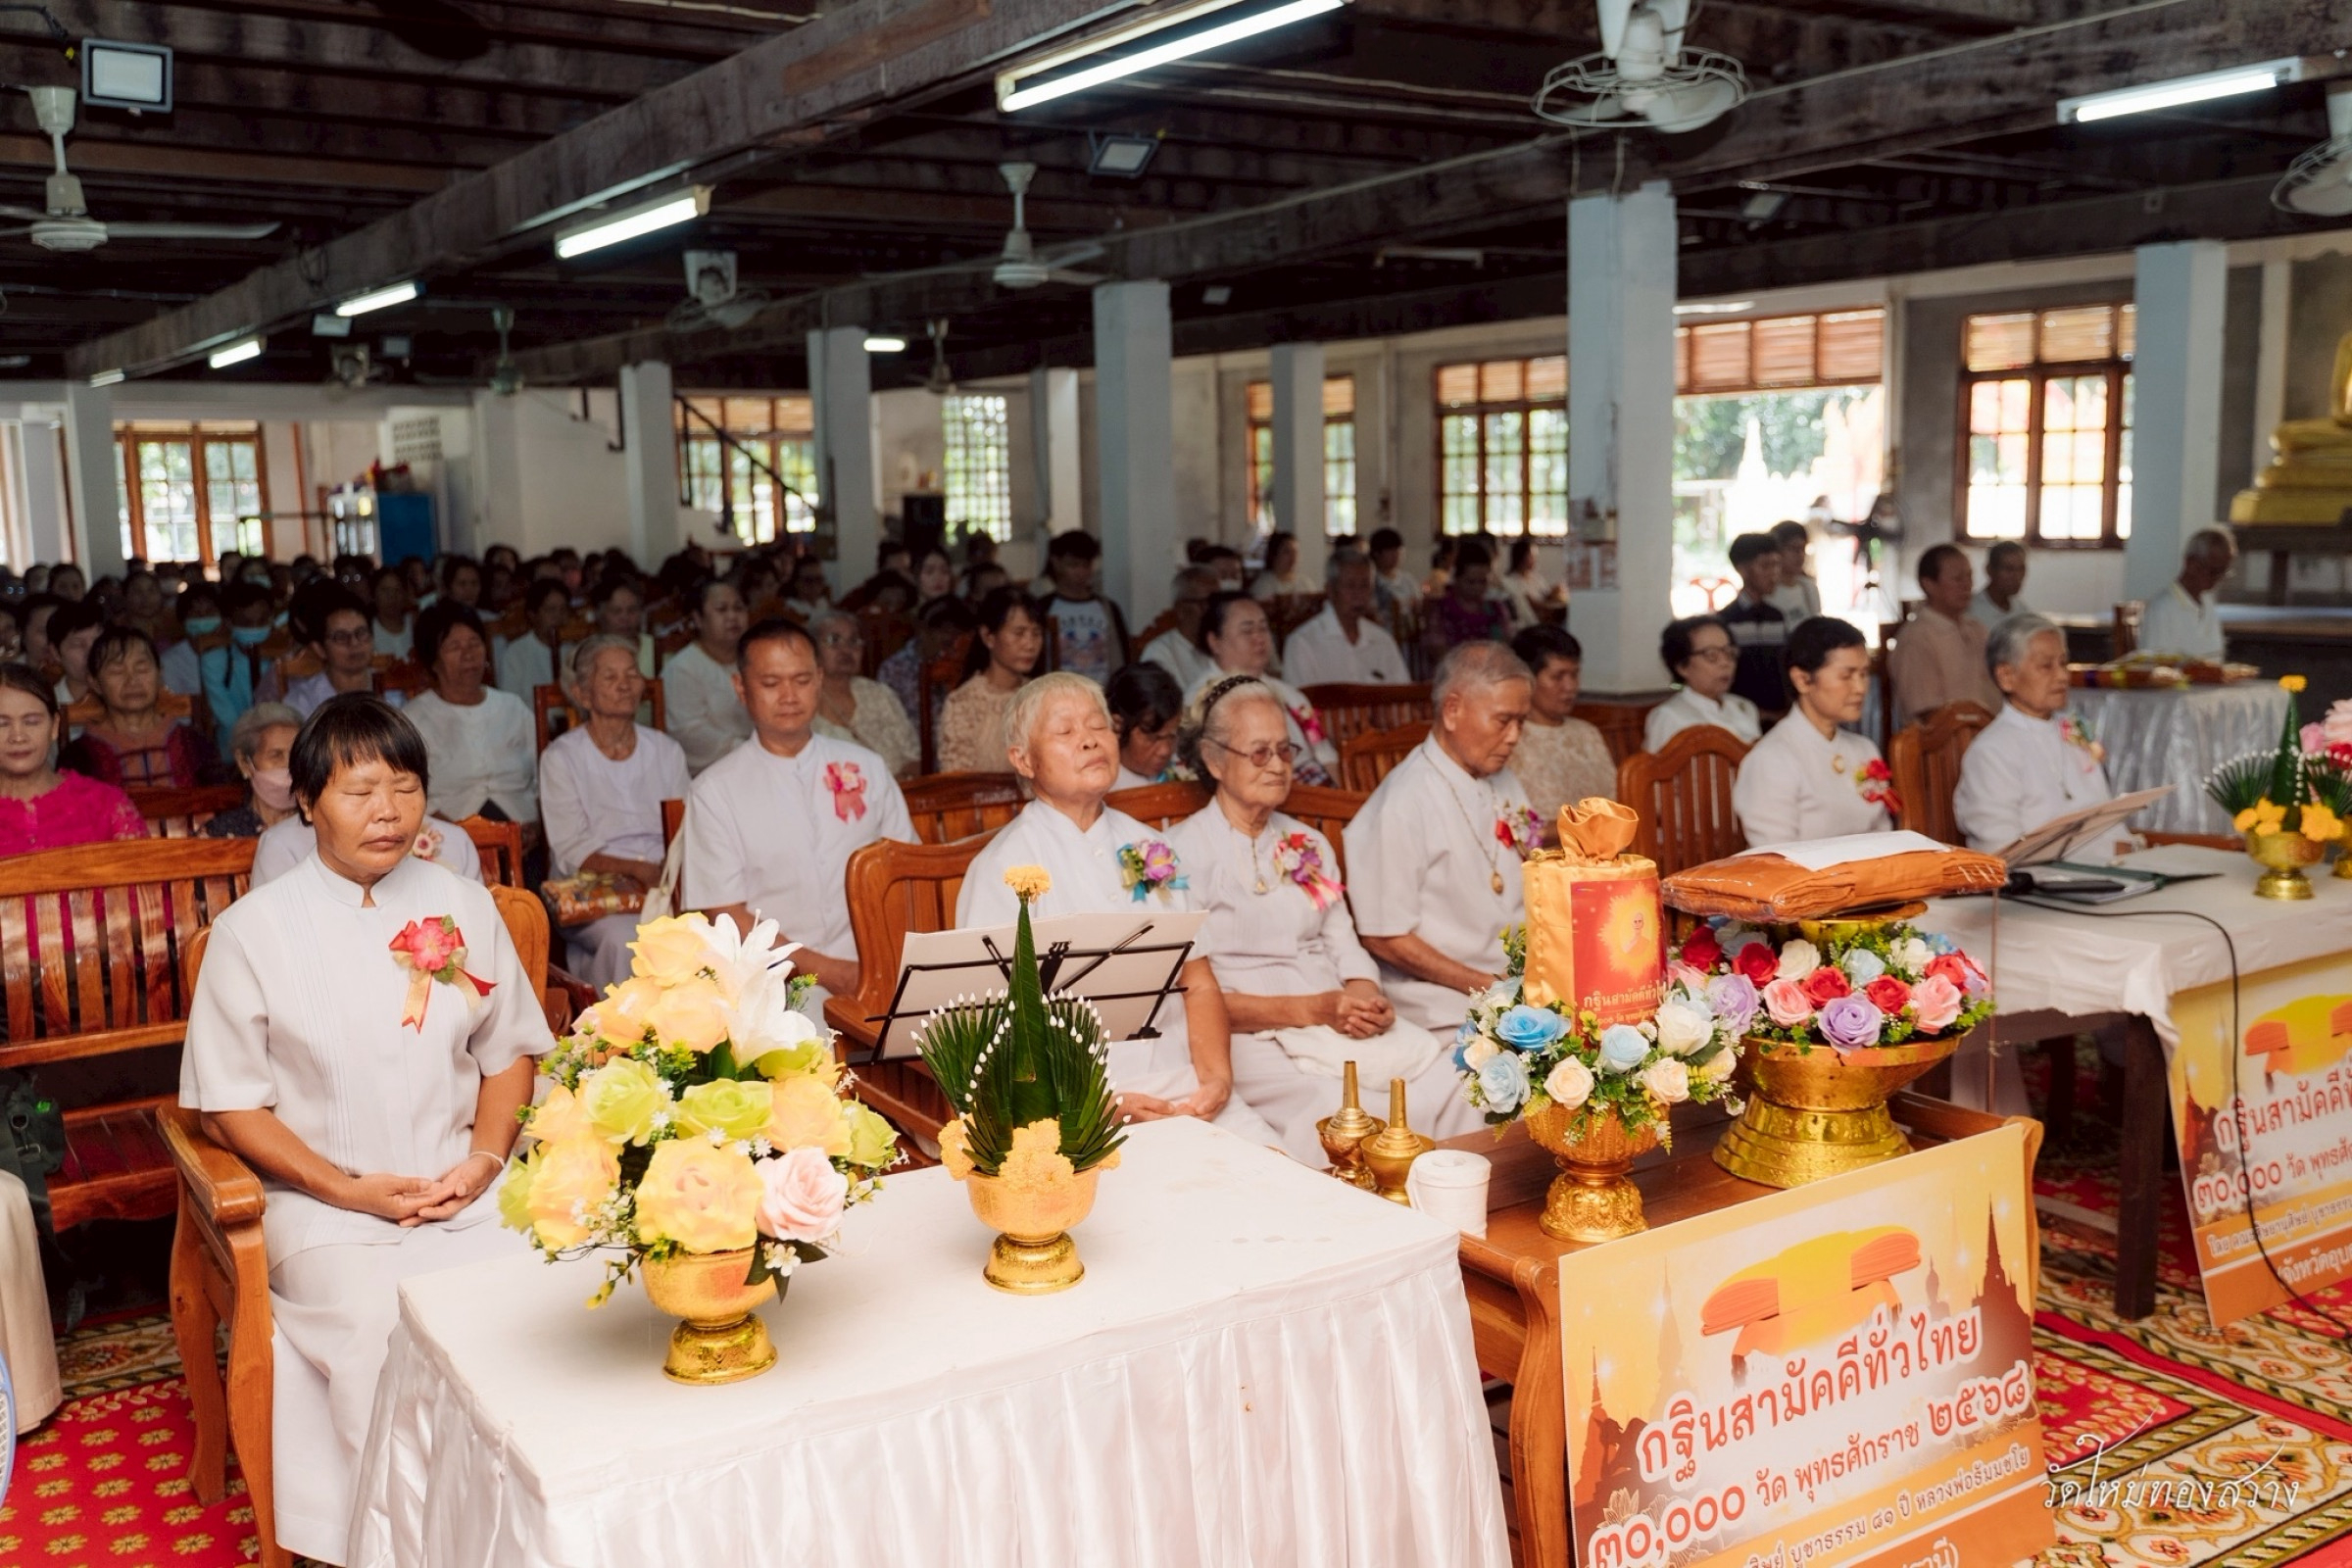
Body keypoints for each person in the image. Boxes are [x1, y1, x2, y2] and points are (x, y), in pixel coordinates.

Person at [179, 694, 548, 1566]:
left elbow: (507, 1055)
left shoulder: (463, 903)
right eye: (359, 791)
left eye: (405, 787)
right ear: (307, 802)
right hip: (325, 1208)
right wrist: (346, 1189)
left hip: (466, 1186)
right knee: (384, 1330)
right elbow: (228, 1105)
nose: (388, 811)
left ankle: (541, 1530)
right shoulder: (252, 931)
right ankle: (410, 1545)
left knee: (549, 1306)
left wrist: (484, 1160)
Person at [956, 673, 1281, 1146]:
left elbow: (1198, 981)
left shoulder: (1151, 847)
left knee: (1285, 1170)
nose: (1089, 740)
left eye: (1098, 726)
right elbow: (991, 1030)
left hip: (1186, 1090)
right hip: (1074, 1110)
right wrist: (1094, 1105)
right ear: (1023, 759)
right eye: (1065, 731)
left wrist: (1216, 1080)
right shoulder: (1001, 868)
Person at [1167, 676, 1479, 1161]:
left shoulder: (1306, 843)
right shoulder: (1180, 854)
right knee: (1342, 1112)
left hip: (1336, 1018)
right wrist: (1315, 1009)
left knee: (1459, 1080)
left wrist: (1364, 996)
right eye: (1259, 753)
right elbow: (1190, 994)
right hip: (1251, 1031)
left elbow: (1344, 944)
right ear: (1213, 760)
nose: (1277, 765)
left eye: (1285, 751)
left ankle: (1446, 1198)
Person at [685, 618, 914, 1008]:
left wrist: (889, 962)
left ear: (820, 679)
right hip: (772, 984)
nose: (789, 696)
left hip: (878, 967)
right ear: (741, 688)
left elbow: (906, 871)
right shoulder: (715, 790)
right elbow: (725, 914)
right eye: (771, 683)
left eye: (802, 680)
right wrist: (832, 972)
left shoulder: (866, 766)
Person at [1344, 642, 1537, 1033]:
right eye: (1503, 720)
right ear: (1452, 710)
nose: (1514, 736)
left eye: (1521, 721)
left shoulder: (1501, 778)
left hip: (1516, 980)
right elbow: (1384, 935)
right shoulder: (1402, 802)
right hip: (1440, 998)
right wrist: (1488, 985)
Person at [540, 635, 693, 988]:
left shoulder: (666, 750)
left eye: (632, 674)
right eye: (610, 677)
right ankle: (621, 1022)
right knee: (627, 940)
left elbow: (686, 828)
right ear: (582, 693)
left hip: (665, 879)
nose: (624, 685)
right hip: (595, 887)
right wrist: (637, 870)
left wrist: (666, 873)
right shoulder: (561, 757)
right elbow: (570, 847)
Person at [1953, 612, 2117, 857]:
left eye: (2063, 663)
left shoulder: (2074, 732)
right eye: (2046, 666)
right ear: (2007, 677)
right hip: (2035, 875)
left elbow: (2107, 815)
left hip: (2102, 867)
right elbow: (2001, 849)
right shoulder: (1991, 752)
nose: (2062, 676)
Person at [1732, 616, 1893, 848]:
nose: (1860, 688)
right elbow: (1775, 856)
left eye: (1864, 674)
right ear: (1803, 680)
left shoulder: (1863, 748)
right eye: (1846, 676)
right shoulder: (1771, 759)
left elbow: (1883, 834)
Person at [400, 603, 538, 828]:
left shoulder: (512, 707)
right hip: (449, 834)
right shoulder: (413, 720)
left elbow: (545, 775)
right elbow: (406, 795)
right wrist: (456, 835)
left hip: (522, 828)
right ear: (433, 660)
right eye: (454, 647)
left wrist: (537, 824)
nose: (468, 655)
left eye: (474, 644)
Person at [1193, 591, 1338, 784]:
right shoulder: (1202, 700)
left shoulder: (1289, 694)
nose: (1259, 638)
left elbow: (1326, 755)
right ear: (1214, 641)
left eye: (1263, 628)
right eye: (1247, 631)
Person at [0, 664, 147, 854]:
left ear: (54, 726)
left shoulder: (105, 805)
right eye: (2, 724)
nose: (18, 737)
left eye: (31, 722)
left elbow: (143, 869)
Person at [60, 626, 220, 788]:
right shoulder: (79, 757)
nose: (132, 681)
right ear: (95, 682)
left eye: (142, 668)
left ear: (159, 674)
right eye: (117, 671)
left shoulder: (194, 745)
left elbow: (219, 798)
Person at [1507, 625, 1617, 827]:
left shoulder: (1587, 733)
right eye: (1558, 677)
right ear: (1527, 680)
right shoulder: (1510, 739)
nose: (1570, 687)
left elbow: (1614, 801)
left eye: (1574, 675)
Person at [1886, 544, 2000, 723]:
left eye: (1969, 577)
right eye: (1957, 579)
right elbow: (1927, 713)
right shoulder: (1917, 638)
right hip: (1948, 737)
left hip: (1991, 732)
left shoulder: (1977, 629)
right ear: (1929, 585)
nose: (1967, 585)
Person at [937, 587, 1044, 775]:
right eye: (1019, 633)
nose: (1030, 644)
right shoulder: (963, 703)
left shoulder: (1044, 697)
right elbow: (957, 779)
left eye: (1036, 633)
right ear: (988, 637)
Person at [808, 609, 918, 777]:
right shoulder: (802, 703)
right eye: (834, 640)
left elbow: (915, 758)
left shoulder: (879, 694)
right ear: (813, 650)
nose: (846, 650)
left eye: (854, 641)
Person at [662, 577, 755, 774]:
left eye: (739, 608)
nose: (732, 616)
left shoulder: (755, 661)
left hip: (759, 760)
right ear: (697, 618)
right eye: (721, 609)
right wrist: (746, 750)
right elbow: (688, 732)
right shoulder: (682, 668)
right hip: (709, 772)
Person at [1283, 547, 1408, 687]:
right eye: (1350, 586)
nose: (1358, 595)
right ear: (1330, 590)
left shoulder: (1382, 641)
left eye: (1364, 586)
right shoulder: (1303, 643)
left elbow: (1402, 693)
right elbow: (1298, 700)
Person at [1643, 614, 1763, 752]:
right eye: (1712, 655)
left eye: (1729, 653)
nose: (1725, 663)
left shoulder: (1744, 707)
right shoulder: (1669, 716)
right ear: (1682, 666)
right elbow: (1661, 765)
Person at [878, 592, 975, 749]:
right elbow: (887, 725)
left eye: (957, 631)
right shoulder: (893, 669)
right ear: (922, 630)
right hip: (912, 751)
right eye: (943, 630)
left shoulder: (969, 665)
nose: (951, 638)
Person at [1037, 530, 1130, 685]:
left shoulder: (1107, 608)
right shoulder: (1044, 607)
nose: (1080, 572)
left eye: (1086, 565)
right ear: (1056, 562)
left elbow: (1120, 655)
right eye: (1073, 565)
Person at [202, 703, 304, 840]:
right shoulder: (219, 834)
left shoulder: (320, 829)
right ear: (244, 764)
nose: (288, 764)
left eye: (297, 754)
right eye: (276, 755)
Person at [284, 589, 390, 719]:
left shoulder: (393, 686)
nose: (354, 643)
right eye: (341, 637)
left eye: (361, 632)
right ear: (320, 649)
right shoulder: (302, 701)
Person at [1718, 532, 1790, 714]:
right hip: (1740, 714)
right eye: (1765, 566)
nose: (1774, 573)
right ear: (1742, 570)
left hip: (1777, 713)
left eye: (1777, 565)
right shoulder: (1727, 620)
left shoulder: (1777, 617)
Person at [2138, 526, 2235, 660]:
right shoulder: (2162, 608)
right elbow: (2153, 665)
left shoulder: (2207, 603)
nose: (2218, 579)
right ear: (2191, 563)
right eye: (2214, 571)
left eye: (2223, 572)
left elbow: (2216, 657)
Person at [200, 583, 279, 735]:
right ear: (229, 623)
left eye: (262, 621)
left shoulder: (282, 660)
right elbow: (226, 717)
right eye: (246, 623)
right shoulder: (214, 662)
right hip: (233, 739)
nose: (255, 628)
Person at [1419, 537, 1510, 656]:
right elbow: (1438, 652)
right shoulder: (1442, 611)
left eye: (1482, 582)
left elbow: (1505, 648)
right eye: (1471, 582)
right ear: (1457, 579)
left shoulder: (1494, 610)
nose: (1477, 588)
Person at [1142, 565, 1219, 693]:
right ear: (1180, 609)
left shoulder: (1223, 645)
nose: (1213, 610)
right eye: (1205, 603)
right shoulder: (1159, 653)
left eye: (1217, 603)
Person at [1107, 662, 1184, 789]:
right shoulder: (1101, 790)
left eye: (1172, 736)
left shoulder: (1185, 774)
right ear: (1117, 726)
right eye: (1152, 738)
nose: (1165, 751)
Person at [496, 577, 571, 702]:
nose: (558, 616)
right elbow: (510, 701)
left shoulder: (574, 648)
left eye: (563, 609)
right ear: (532, 614)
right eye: (551, 610)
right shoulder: (515, 653)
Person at [577, 574, 656, 676]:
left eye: (632, 610)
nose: (625, 618)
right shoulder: (585, 653)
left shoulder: (656, 647)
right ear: (600, 615)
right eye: (616, 611)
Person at [47, 600, 102, 710]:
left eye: (98, 642)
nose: (91, 652)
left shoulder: (125, 699)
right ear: (55, 652)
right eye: (78, 644)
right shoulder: (48, 704)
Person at [1499, 538, 1565, 628]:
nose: (1535, 560)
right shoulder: (1510, 581)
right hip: (1530, 623)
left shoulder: (1536, 578)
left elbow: (1546, 594)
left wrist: (1554, 592)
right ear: (1522, 557)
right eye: (1532, 556)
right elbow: (1532, 604)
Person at [1767, 520, 1822, 619]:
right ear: (1777, 551)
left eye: (1803, 549)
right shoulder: (1767, 592)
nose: (1800, 556)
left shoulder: (1809, 588)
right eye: (1794, 549)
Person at [1970, 539, 2030, 627]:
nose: (2017, 576)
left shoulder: (2021, 611)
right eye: (2009, 569)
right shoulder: (1971, 611)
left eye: (2021, 569)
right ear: (1990, 570)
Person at [1249, 531, 1313, 600]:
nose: (1293, 557)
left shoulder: (1304, 583)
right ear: (1274, 555)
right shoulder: (1264, 584)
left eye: (1295, 552)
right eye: (1287, 552)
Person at [1368, 526, 1416, 613]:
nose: (1396, 555)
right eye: (1390, 551)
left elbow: (1417, 603)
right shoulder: (1371, 581)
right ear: (1376, 553)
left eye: (1398, 550)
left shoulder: (1407, 580)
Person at [370, 567, 416, 660]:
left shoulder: (416, 624)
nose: (392, 597)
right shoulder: (367, 631)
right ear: (374, 594)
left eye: (397, 590)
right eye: (385, 590)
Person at [782, 556, 832, 623]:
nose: (815, 585)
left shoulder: (823, 602)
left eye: (819, 579)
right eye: (808, 580)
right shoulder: (790, 608)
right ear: (796, 582)